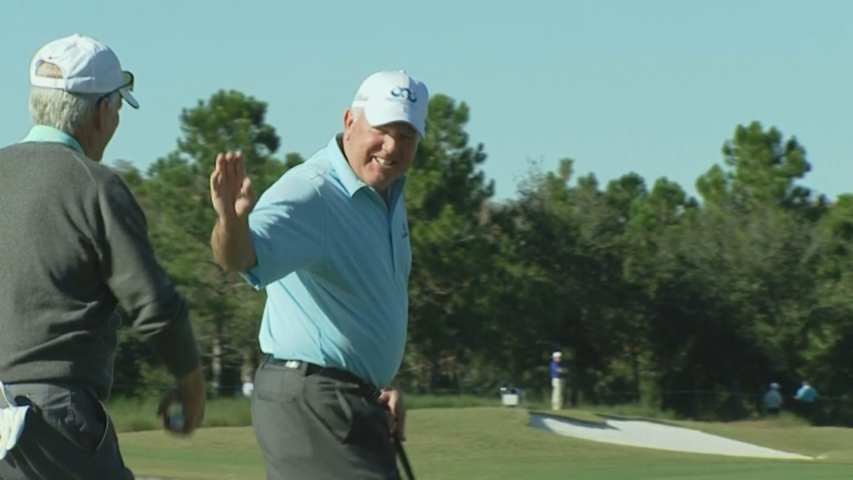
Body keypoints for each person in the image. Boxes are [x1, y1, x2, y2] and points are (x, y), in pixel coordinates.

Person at [0, 34, 205, 479]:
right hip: (53, 418)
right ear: (100, 112)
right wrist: (191, 385)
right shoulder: (96, 186)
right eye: (116, 109)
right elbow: (155, 306)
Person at [210, 70, 428, 479]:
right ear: (349, 121)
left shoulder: (389, 195)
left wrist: (376, 384)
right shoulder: (311, 191)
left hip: (350, 399)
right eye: (382, 130)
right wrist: (230, 222)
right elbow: (238, 258)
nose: (393, 146)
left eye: (406, 135)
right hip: (312, 397)